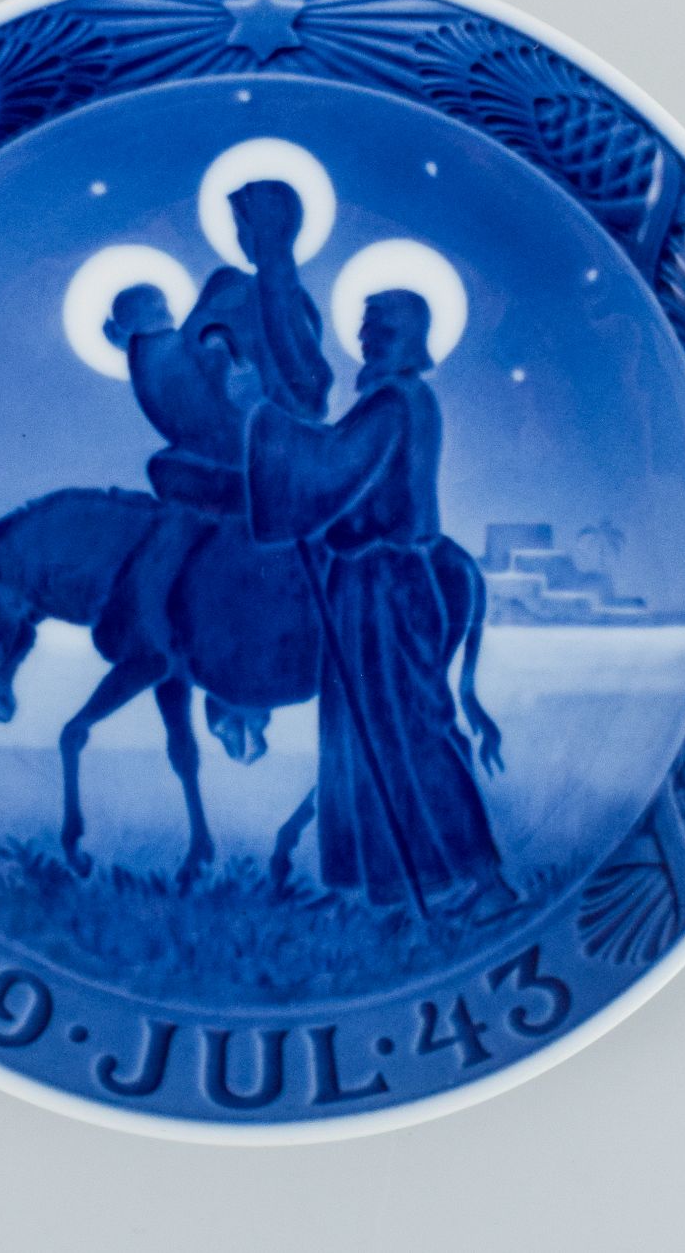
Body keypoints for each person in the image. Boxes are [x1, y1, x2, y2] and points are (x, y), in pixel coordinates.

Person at [228, 289, 516, 915]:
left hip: (387, 586)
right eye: (364, 327)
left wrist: (258, 412)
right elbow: (334, 459)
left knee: (412, 727)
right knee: (357, 733)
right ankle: (375, 886)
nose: (365, 338)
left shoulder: (393, 403)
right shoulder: (396, 399)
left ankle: (484, 881)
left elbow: (330, 466)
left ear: (407, 334)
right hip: (367, 584)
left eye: (378, 328)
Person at [103, 179, 332, 518]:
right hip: (211, 431)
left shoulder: (286, 304)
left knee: (185, 476)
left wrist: (253, 396)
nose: (238, 238)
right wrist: (139, 344)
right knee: (168, 469)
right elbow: (186, 351)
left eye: (242, 227)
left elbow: (308, 387)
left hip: (265, 442)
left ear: (266, 230)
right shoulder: (225, 283)